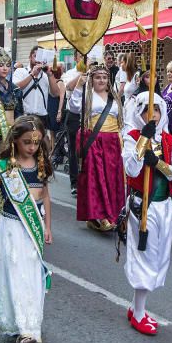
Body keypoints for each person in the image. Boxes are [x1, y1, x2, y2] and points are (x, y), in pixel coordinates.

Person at [0, 115, 53, 343]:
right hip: (11, 226)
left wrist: (48, 227)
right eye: (27, 142)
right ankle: (17, 325)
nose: (32, 147)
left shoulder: (41, 165)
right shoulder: (5, 168)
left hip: (33, 226)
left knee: (31, 274)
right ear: (15, 141)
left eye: (36, 142)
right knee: (12, 273)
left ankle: (30, 326)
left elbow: (45, 196)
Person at [121, 92, 172, 335]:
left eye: (156, 110)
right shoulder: (131, 137)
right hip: (142, 206)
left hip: (164, 206)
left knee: (158, 258)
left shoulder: (170, 141)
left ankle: (136, 306)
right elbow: (131, 168)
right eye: (147, 111)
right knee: (144, 257)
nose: (152, 115)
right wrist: (142, 143)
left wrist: (157, 163)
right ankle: (138, 313)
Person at [70, 62, 125, 231]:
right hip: (93, 140)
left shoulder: (114, 97)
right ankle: (101, 215)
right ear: (91, 80)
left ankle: (115, 214)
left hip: (113, 142)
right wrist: (79, 87)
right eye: (98, 77)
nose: (101, 80)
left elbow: (122, 121)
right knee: (97, 178)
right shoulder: (87, 96)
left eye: (104, 77)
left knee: (112, 178)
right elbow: (73, 108)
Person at [13, 46, 61, 133]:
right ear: (30, 57)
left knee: (40, 144)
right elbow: (15, 87)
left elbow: (56, 93)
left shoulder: (46, 75)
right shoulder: (21, 71)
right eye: (35, 56)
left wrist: (50, 75)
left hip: (41, 117)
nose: (38, 60)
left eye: (41, 58)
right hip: (25, 116)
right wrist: (32, 74)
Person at [61, 53, 86, 195]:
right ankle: (75, 182)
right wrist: (81, 76)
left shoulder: (92, 72)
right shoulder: (70, 73)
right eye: (81, 57)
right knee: (73, 150)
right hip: (74, 115)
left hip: (88, 114)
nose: (84, 59)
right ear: (76, 58)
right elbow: (69, 87)